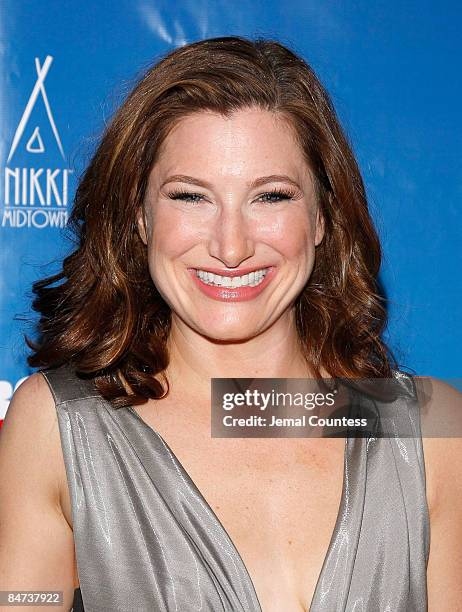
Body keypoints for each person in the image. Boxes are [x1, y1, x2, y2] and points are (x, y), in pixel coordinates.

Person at [0, 35, 461, 612]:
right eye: (192, 197)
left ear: (322, 217)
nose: (232, 245)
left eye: (270, 197)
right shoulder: (59, 428)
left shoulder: (430, 434)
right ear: (140, 217)